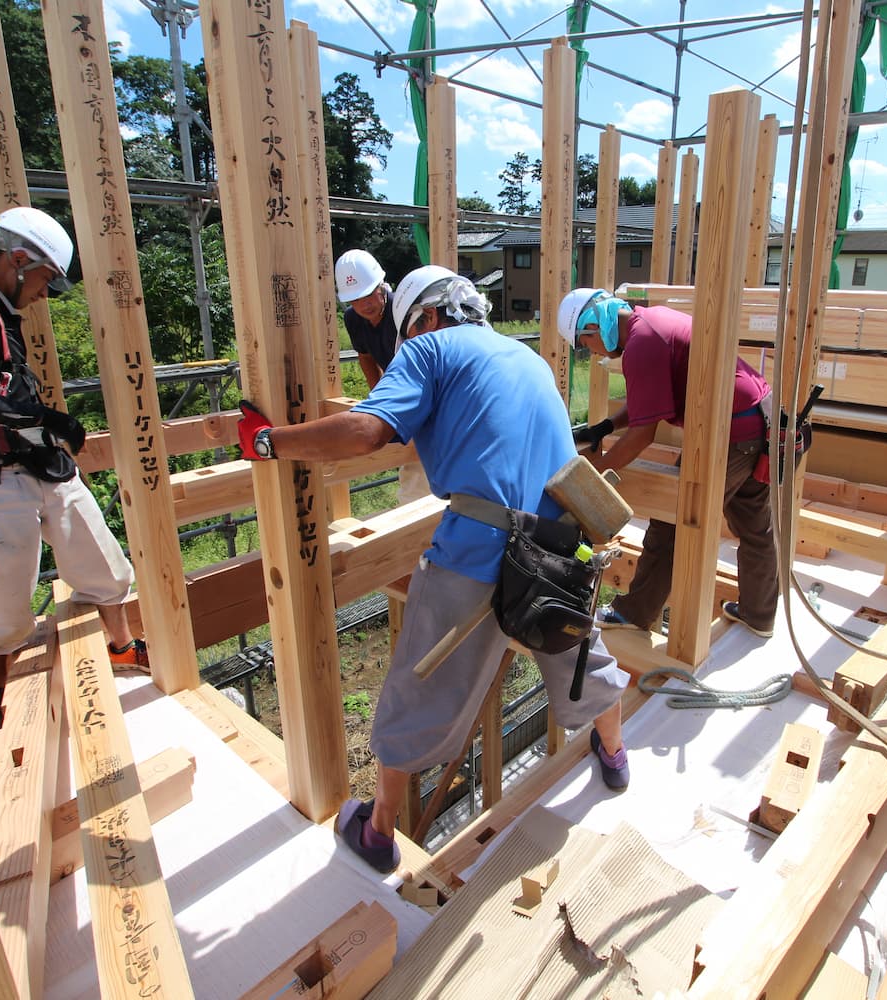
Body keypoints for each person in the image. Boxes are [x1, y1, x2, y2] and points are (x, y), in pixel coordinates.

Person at [237, 265, 632, 874]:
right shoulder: (526, 358)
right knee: (580, 654)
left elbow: (369, 431)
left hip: (481, 547)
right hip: (559, 548)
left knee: (416, 687)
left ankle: (379, 831)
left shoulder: (429, 348)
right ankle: (614, 753)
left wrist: (270, 441)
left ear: (425, 317)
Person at [0, 207, 148, 736]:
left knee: (101, 557)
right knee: (6, 588)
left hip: (41, 464)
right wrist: (41, 418)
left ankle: (120, 648)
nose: (45, 292)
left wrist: (42, 429)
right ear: (18, 261)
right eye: (45, 278)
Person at [555, 288, 780, 639]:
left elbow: (644, 434)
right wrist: (607, 426)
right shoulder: (650, 325)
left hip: (729, 435)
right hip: (754, 423)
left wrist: (591, 475)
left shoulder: (642, 344)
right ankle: (759, 614)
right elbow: (652, 400)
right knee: (754, 525)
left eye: (585, 345)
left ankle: (633, 613)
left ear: (594, 326)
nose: (591, 352)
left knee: (670, 521)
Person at [335, 248, 428, 501]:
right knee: (412, 472)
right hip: (400, 389)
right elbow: (365, 356)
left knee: (426, 463)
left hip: (426, 388)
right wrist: (377, 398)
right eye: (355, 299)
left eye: (368, 294)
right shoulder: (353, 319)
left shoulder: (404, 311)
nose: (364, 304)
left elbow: (426, 368)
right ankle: (413, 513)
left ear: (381, 286)